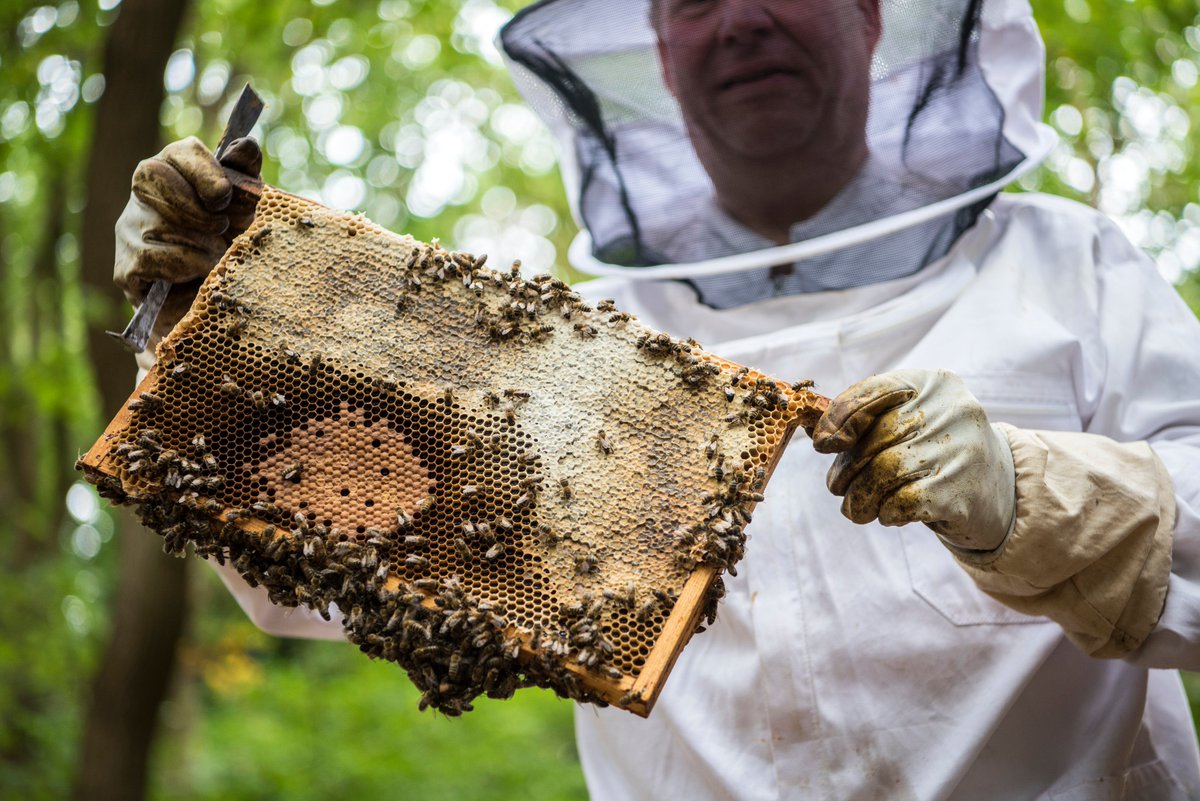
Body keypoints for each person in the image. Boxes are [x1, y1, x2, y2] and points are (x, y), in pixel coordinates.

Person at [114, 0, 1200, 797]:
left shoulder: (1072, 267)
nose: (738, 20)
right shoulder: (562, 347)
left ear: (873, 19)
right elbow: (319, 561)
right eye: (692, 1)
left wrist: (1034, 493)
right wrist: (208, 328)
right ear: (657, 56)